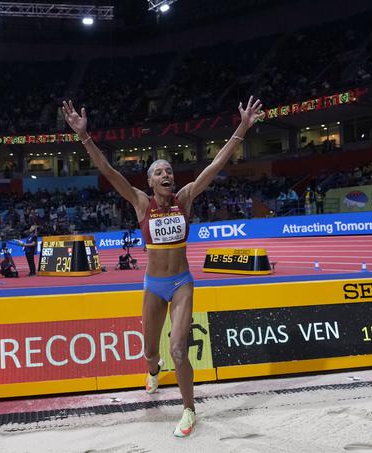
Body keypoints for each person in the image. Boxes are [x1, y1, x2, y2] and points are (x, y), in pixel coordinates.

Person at [62, 96, 264, 438]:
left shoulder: (185, 198)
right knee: (151, 351)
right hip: (153, 285)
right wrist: (84, 136)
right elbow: (109, 172)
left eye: (169, 170)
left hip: (182, 283)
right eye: (159, 172)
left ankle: (188, 410)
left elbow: (214, 165)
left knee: (178, 349)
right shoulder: (141, 203)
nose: (166, 174)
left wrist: (242, 127)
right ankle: (153, 371)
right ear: (150, 181)